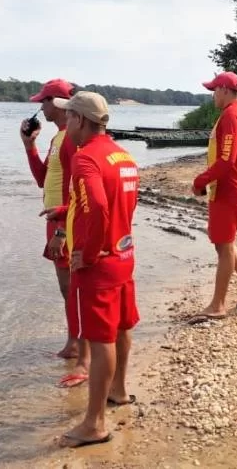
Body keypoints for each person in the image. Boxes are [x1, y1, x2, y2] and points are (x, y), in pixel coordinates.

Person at [40, 92, 140, 448]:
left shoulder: (85, 159)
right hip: (124, 257)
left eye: (69, 118)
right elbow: (113, 200)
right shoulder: (122, 156)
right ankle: (119, 392)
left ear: (81, 120)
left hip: (99, 264)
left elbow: (98, 204)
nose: (66, 124)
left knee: (100, 340)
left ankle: (94, 423)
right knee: (122, 326)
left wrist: (91, 250)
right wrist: (66, 210)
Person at [21, 78, 89, 388]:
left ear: (59, 103)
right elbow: (42, 179)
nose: (41, 107)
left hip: (66, 221)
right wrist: (29, 145)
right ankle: (74, 341)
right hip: (57, 218)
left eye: (44, 102)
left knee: (73, 287)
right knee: (67, 288)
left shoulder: (71, 140)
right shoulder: (58, 139)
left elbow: (77, 186)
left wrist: (63, 228)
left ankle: (80, 348)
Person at [188, 72, 237, 324]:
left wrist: (201, 180)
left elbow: (227, 160)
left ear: (226, 90)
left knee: (224, 245)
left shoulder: (232, 115)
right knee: (224, 242)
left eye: (214, 90)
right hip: (236, 184)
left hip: (229, 188)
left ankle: (218, 304)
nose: (212, 95)